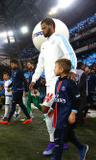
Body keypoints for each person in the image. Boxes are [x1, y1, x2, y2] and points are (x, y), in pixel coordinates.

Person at [29, 17, 77, 156]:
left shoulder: (59, 38)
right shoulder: (44, 45)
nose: (42, 31)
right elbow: (40, 65)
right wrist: (34, 79)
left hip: (60, 83)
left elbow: (70, 53)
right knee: (58, 113)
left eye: (44, 28)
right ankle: (64, 141)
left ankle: (53, 141)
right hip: (50, 83)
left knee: (46, 109)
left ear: (51, 26)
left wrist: (72, 69)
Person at [47, 59, 88, 160]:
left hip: (67, 114)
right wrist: (52, 107)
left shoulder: (70, 83)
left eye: (55, 68)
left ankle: (57, 158)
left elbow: (77, 98)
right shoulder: (58, 82)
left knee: (58, 135)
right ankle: (82, 147)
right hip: (59, 113)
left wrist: (73, 112)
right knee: (68, 136)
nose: (53, 70)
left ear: (61, 70)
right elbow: (57, 97)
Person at [0, 60, 32, 125]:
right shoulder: (13, 71)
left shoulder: (19, 71)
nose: (11, 65)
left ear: (16, 64)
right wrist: (9, 86)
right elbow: (14, 81)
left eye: (12, 64)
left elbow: (24, 81)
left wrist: (26, 91)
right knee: (21, 105)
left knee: (13, 105)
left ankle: (8, 120)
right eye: (11, 64)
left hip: (18, 90)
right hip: (15, 91)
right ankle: (29, 118)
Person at [75, 62, 87, 126]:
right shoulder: (83, 73)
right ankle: (79, 121)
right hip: (81, 93)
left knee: (76, 106)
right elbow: (82, 84)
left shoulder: (74, 72)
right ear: (82, 66)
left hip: (75, 92)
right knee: (81, 107)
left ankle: (78, 120)